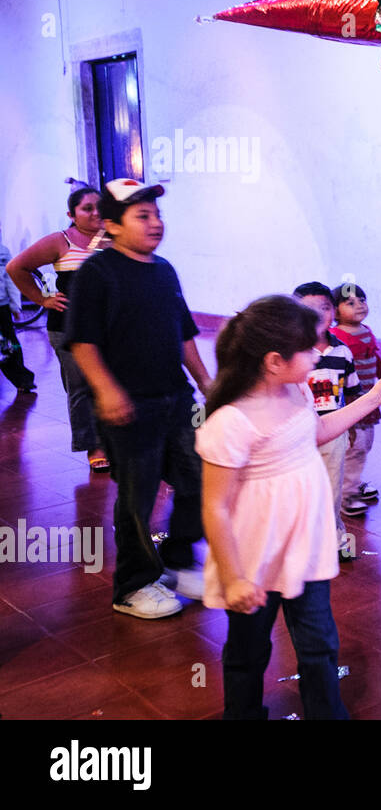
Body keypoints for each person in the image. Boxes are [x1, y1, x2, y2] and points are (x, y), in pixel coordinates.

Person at [198, 295, 381, 719]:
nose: (318, 353)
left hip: (304, 546)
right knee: (248, 651)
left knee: (319, 644)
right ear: (274, 361)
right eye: (310, 348)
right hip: (253, 559)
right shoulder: (230, 422)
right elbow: (215, 507)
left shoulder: (295, 393)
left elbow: (319, 430)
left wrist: (374, 397)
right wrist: (234, 579)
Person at [65, 179, 213, 619]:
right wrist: (107, 391)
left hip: (177, 398)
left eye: (157, 215)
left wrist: (205, 381)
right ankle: (132, 585)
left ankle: (179, 563)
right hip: (129, 407)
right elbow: (83, 341)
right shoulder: (96, 273)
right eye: (142, 216)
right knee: (139, 497)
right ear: (111, 225)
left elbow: (183, 331)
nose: (156, 223)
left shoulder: (164, 270)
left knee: (200, 479)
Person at [6, 187, 111, 470]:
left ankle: (116, 441)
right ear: (71, 214)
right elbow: (17, 267)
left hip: (110, 329)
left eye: (99, 206)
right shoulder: (60, 241)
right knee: (81, 387)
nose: (95, 212)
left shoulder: (115, 239)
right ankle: (94, 446)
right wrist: (42, 300)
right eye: (87, 208)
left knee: (113, 383)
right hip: (69, 328)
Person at [294, 282, 361, 555]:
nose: (318, 314)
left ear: (334, 311)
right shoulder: (293, 353)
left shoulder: (342, 351)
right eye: (308, 309)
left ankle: (334, 537)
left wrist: (352, 424)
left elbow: (353, 391)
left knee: (332, 487)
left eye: (324, 308)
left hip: (333, 432)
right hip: (299, 434)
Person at [330, 282, 381, 514]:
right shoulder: (335, 337)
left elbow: (375, 360)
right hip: (349, 403)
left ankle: (352, 480)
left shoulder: (366, 331)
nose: (359, 305)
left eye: (362, 300)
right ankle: (346, 495)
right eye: (350, 303)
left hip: (368, 400)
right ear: (335, 312)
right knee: (355, 446)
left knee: (365, 444)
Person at [0, 234, 37, 396]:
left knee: (10, 345)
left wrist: (15, 306)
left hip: (2, 306)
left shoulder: (3, 252)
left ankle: (23, 379)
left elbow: (9, 279)